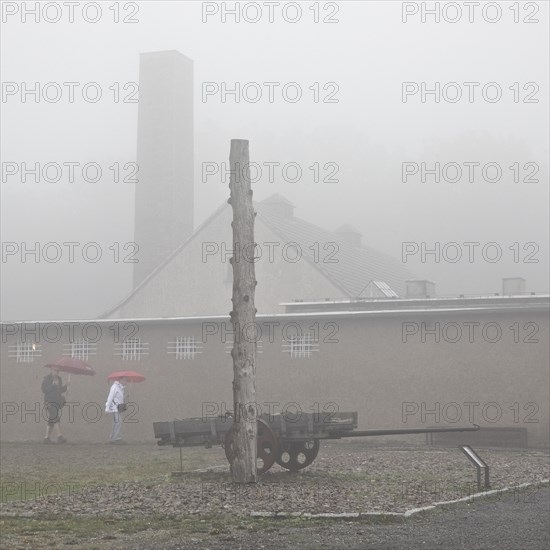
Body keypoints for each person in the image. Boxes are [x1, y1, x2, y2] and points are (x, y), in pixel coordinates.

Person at [41, 368, 68, 444]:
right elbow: (44, 389)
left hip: (56, 401)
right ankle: (59, 435)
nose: (57, 372)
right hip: (49, 401)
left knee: (51, 419)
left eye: (58, 371)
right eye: (55, 370)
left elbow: (59, 390)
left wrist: (65, 387)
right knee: (55, 416)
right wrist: (52, 385)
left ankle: (46, 438)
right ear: (52, 371)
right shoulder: (47, 379)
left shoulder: (59, 379)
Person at [105, 376, 127, 444]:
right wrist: (107, 408)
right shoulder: (115, 387)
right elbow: (110, 397)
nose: (126, 382)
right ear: (121, 380)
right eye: (125, 380)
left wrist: (125, 397)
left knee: (116, 423)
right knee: (118, 422)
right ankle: (115, 438)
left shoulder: (121, 388)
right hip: (115, 408)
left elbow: (119, 398)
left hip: (119, 408)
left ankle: (113, 437)